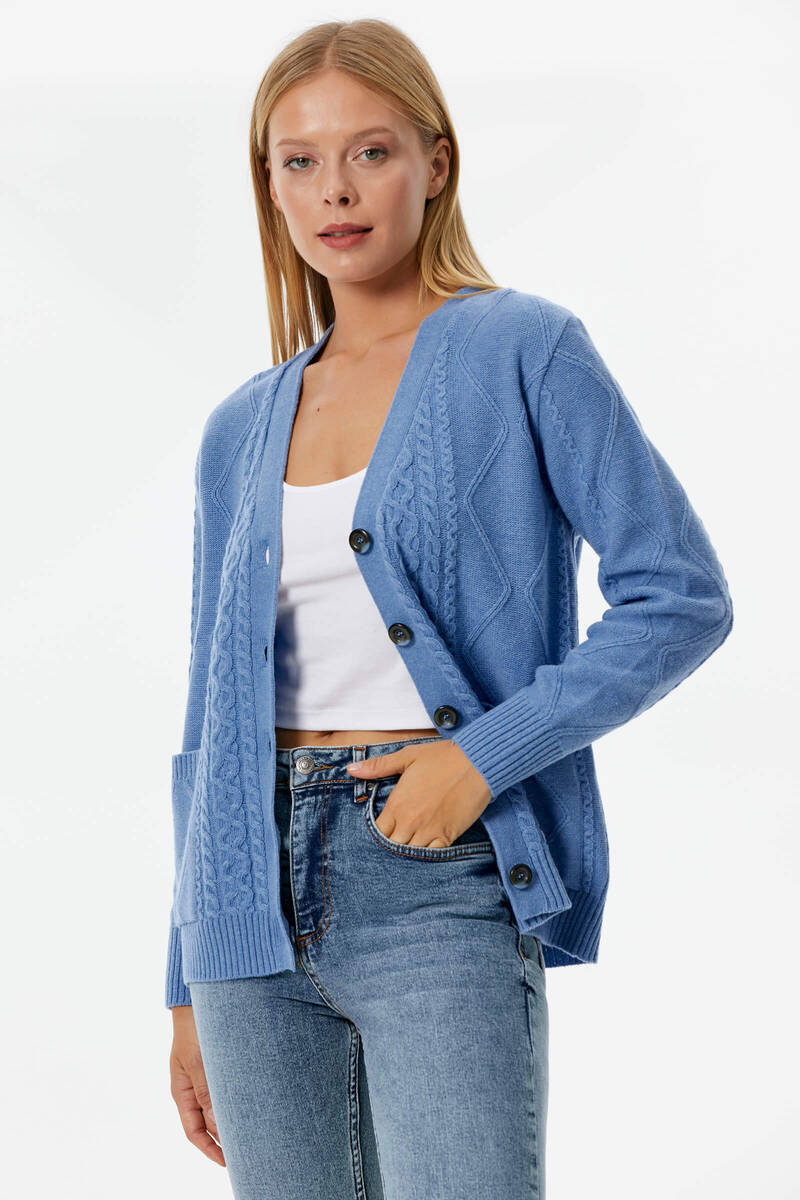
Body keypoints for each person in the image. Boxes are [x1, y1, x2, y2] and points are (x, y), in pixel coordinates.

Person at [165, 19, 734, 1200]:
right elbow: (209, 717)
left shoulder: (523, 349)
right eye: (299, 160)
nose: (335, 190)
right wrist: (181, 982)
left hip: (433, 877)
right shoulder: (239, 426)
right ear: (268, 185)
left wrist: (481, 758)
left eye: (369, 152)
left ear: (436, 163)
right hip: (240, 912)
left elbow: (676, 595)